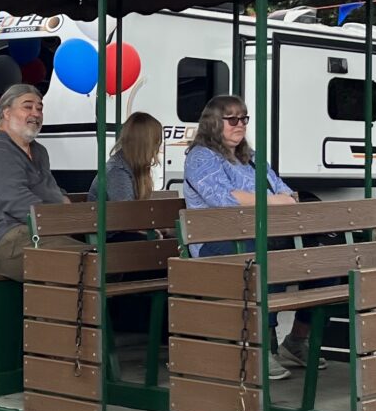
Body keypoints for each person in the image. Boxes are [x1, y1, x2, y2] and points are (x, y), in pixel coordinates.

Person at [182, 95, 315, 379]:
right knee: (266, 258)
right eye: (232, 119)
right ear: (214, 123)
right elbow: (224, 199)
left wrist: (274, 199)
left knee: (323, 253)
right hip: (215, 241)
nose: (240, 124)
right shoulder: (201, 157)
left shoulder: (252, 157)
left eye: (244, 118)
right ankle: (260, 349)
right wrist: (273, 200)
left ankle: (297, 339)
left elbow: (288, 192)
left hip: (259, 234)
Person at [0, 84, 75, 280]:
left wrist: (64, 205)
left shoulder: (39, 151)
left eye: (40, 108)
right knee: (75, 262)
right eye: (28, 106)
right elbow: (16, 200)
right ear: (6, 113)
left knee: (99, 258)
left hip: (35, 232)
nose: (36, 113)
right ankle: (49, 310)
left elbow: (52, 191)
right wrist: (62, 218)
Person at [90, 112, 162, 203]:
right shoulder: (117, 172)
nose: (157, 150)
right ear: (144, 145)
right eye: (155, 144)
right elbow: (127, 213)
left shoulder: (128, 166)